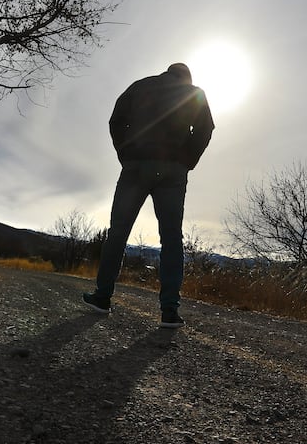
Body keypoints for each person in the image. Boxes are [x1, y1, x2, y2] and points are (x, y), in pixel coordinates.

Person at [83, 62, 214, 328]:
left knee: (118, 232)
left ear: (167, 72)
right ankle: (169, 311)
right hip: (172, 171)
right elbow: (206, 129)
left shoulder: (141, 85)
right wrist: (186, 160)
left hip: (136, 166)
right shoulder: (195, 93)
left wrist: (126, 153)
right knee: (172, 238)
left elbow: (116, 120)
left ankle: (102, 297)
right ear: (186, 77)